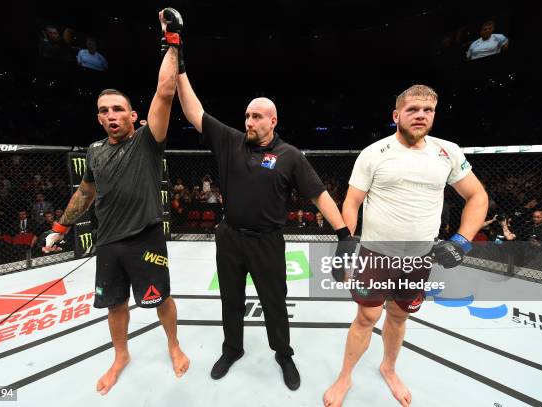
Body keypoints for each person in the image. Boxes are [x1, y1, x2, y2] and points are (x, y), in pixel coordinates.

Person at [176, 48, 352, 390]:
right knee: (230, 298)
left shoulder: (290, 156)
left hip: (267, 240)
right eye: (247, 116)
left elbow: (318, 194)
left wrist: (344, 234)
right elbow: (192, 110)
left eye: (257, 117)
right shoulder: (230, 142)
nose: (250, 122)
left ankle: (283, 354)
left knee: (274, 301)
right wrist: (179, 62)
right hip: (229, 237)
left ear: (273, 121)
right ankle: (232, 349)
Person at [41, 9, 189, 395]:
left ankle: (174, 345)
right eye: (104, 111)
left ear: (133, 115)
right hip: (108, 241)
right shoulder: (93, 152)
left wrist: (171, 41)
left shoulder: (147, 140)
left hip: (146, 236)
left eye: (118, 109)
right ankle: (120, 354)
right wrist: (60, 228)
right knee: (114, 304)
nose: (111, 115)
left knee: (161, 299)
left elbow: (166, 92)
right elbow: (85, 192)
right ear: (99, 118)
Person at [323, 85, 488, 407]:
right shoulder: (374, 153)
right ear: (396, 115)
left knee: (399, 317)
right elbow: (352, 202)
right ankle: (345, 376)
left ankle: (389, 368)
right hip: (376, 255)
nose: (421, 115)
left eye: (428, 110)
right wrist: (345, 249)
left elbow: (477, 196)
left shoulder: (448, 152)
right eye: (413, 109)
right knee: (366, 318)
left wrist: (462, 241)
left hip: (419, 258)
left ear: (434, 115)